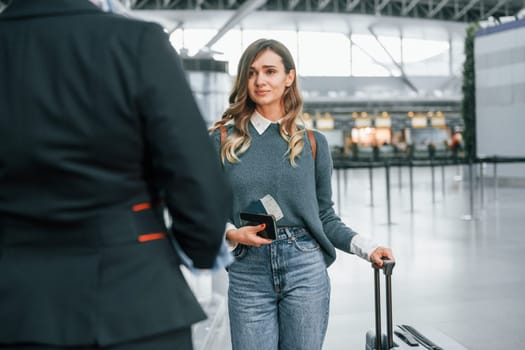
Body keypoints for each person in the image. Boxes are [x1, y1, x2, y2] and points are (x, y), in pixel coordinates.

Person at [0, 0, 232, 349]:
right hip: (133, 299)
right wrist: (195, 251)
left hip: (14, 311)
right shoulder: (135, 43)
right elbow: (197, 181)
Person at [210, 39, 395, 350]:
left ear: (289, 78)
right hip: (248, 271)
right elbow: (203, 209)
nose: (260, 81)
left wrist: (369, 247)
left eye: (270, 71)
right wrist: (232, 234)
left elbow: (325, 216)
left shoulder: (313, 143)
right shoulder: (222, 140)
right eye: (252, 73)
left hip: (305, 267)